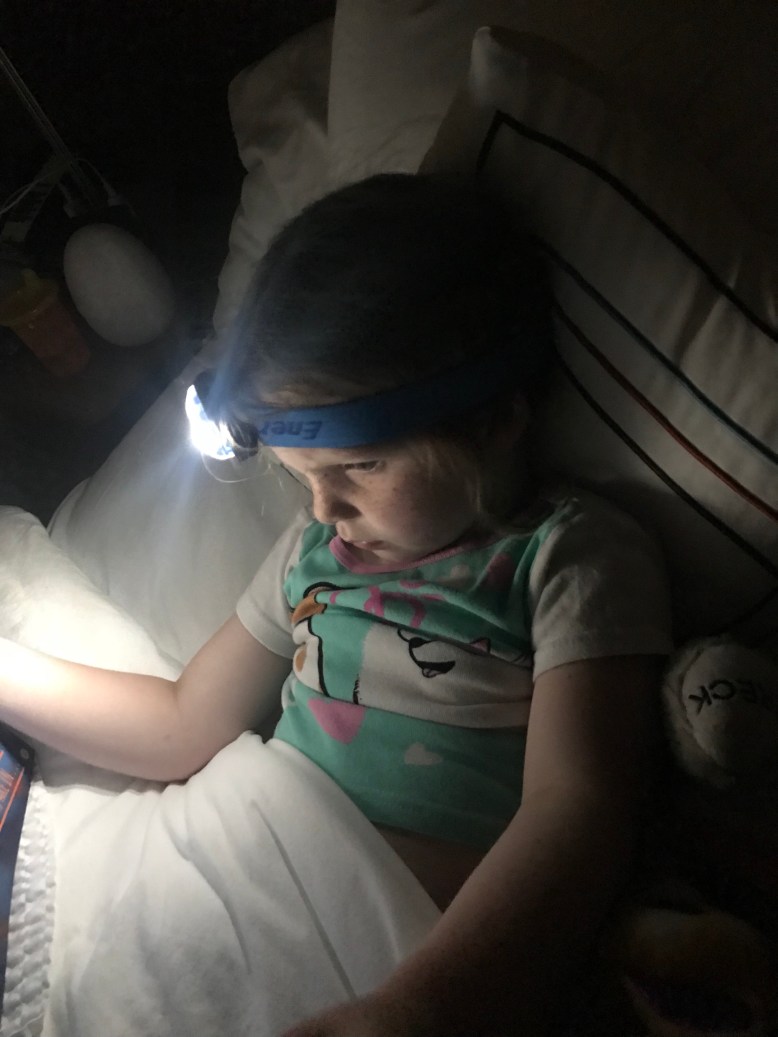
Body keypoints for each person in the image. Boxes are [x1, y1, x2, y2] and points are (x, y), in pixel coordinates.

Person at [1, 173, 672, 1036]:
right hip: (214, 859)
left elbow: (577, 807)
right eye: (301, 476)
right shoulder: (314, 552)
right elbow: (180, 723)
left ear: (494, 419)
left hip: (389, 951)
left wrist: (420, 1007)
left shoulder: (568, 556)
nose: (324, 509)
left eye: (360, 467)